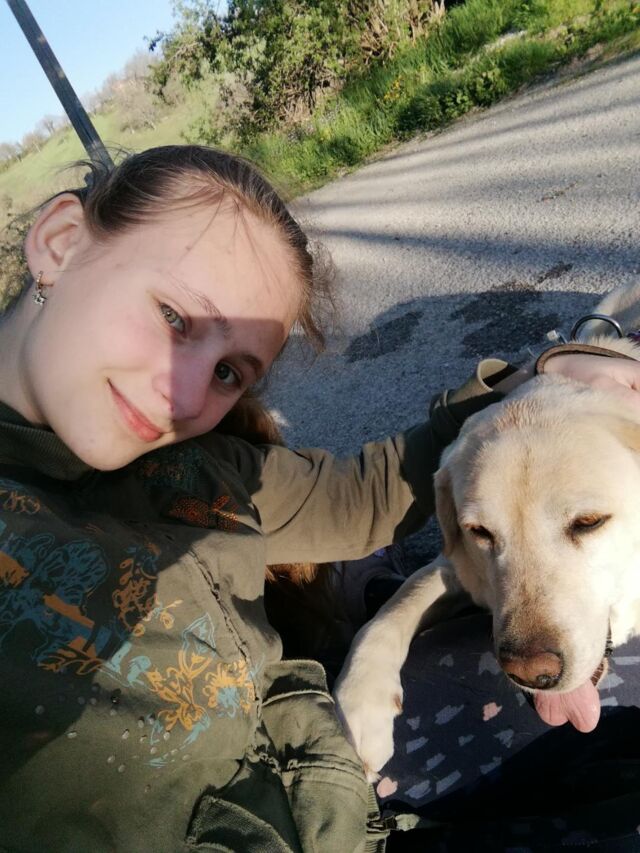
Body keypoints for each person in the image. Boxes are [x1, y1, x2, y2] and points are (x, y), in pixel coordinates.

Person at [1, 144, 639, 853]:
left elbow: (365, 497)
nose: (182, 395)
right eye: (174, 317)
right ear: (60, 242)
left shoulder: (198, 465)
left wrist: (541, 377)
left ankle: (357, 586)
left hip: (326, 765)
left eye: (229, 372)